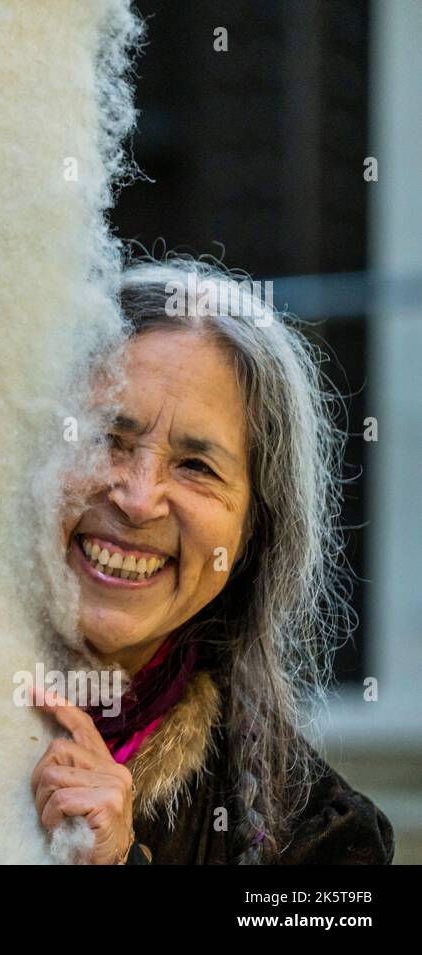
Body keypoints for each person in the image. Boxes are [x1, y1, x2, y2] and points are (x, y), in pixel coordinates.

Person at [29, 257, 394, 864]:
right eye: (106, 439)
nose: (139, 499)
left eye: (196, 467)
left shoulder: (324, 841)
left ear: (254, 531)